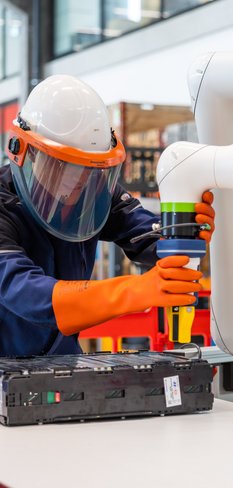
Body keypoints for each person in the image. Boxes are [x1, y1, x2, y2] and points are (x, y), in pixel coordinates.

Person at [0, 74, 215, 356]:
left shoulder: (93, 194)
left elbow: (145, 236)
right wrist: (134, 291)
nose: (78, 180)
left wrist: (184, 232)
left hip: (60, 365)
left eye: (90, 169)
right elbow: (29, 295)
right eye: (63, 165)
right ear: (26, 152)